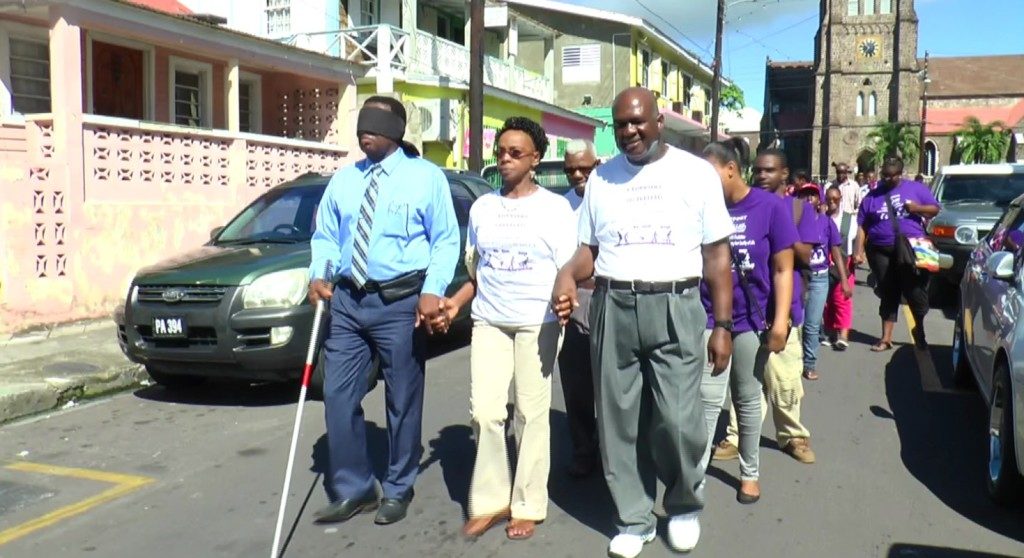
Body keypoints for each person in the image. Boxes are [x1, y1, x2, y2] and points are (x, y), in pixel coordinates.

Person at [551, 87, 734, 557]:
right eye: (620, 124)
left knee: (676, 420)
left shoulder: (695, 174)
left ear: (657, 121)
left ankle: (682, 505)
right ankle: (634, 517)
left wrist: (723, 324)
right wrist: (568, 275)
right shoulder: (601, 180)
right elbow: (588, 251)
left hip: (676, 304)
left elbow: (717, 254)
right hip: (615, 305)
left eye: (638, 121)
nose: (629, 131)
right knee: (618, 421)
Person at [308, 96, 460, 525]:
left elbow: (445, 239)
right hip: (350, 302)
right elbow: (324, 235)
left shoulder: (425, 178)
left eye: (375, 123)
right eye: (361, 123)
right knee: (337, 394)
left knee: (403, 399)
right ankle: (354, 487)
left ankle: (398, 485)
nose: (365, 131)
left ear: (396, 129)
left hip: (401, 302)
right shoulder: (343, 180)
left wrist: (433, 291)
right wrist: (319, 273)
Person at [438, 117, 576, 541]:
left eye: (516, 153)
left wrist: (564, 294)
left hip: (539, 322)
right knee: (485, 412)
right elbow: (478, 272)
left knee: (531, 415)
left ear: (535, 158)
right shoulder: (483, 208)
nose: (505, 159)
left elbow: (568, 267)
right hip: (490, 321)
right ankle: (492, 500)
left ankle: (529, 504)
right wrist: (455, 303)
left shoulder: (554, 208)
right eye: (500, 152)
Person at [698, 138, 796, 505]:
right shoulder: (705, 209)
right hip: (710, 315)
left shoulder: (769, 207)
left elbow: (783, 269)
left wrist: (781, 321)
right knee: (707, 398)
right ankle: (697, 471)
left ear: (731, 169)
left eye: (709, 177)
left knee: (747, 397)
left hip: (753, 320)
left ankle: (749, 473)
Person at [715, 148, 817, 464]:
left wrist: (778, 229)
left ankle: (792, 435)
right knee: (744, 383)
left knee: (785, 379)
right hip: (742, 312)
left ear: (784, 174)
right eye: (757, 170)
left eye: (769, 170)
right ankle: (737, 436)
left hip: (781, 312)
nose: (761, 176)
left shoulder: (798, 209)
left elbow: (804, 256)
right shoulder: (735, 207)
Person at [853, 157, 941, 351]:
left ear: (901, 174)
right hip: (880, 250)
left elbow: (935, 209)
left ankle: (919, 329)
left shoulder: (915, 189)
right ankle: (886, 338)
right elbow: (862, 226)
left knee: (915, 292)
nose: (887, 179)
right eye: (885, 175)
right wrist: (858, 251)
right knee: (888, 290)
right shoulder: (872, 197)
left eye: (892, 176)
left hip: (911, 248)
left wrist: (916, 208)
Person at [558, 139, 601, 478]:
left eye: (584, 168)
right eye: (571, 169)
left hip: (610, 296)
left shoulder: (613, 199)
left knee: (616, 384)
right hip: (575, 300)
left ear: (597, 165)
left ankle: (618, 455)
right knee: (576, 384)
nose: (577, 174)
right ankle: (584, 451)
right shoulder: (560, 207)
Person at [794, 182, 850, 380]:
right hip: (798, 277)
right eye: (804, 195)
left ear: (820, 200)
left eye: (813, 195)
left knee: (812, 323)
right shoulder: (793, 220)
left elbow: (835, 250)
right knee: (796, 321)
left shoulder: (826, 222)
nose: (809, 199)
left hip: (819, 278)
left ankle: (809, 363)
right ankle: (793, 360)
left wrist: (844, 280)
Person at [823, 185, 859, 350]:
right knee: (827, 301)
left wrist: (858, 254)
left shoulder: (849, 220)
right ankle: (830, 332)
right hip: (825, 263)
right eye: (829, 199)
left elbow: (858, 237)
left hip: (844, 263)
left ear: (840, 199)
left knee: (842, 299)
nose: (832, 202)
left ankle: (843, 335)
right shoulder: (820, 217)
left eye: (835, 199)